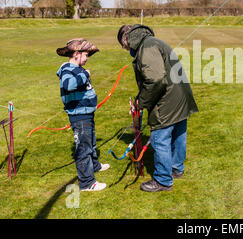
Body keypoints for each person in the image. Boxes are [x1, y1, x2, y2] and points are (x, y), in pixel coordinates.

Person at [117, 24, 199, 192]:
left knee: (159, 139)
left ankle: (163, 179)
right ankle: (176, 169)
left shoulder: (146, 47)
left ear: (127, 41)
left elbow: (155, 79)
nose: (127, 50)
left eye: (124, 47)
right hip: (180, 96)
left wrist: (141, 102)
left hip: (167, 100)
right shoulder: (152, 42)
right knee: (178, 135)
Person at [56, 39, 110, 192]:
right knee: (83, 148)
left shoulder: (77, 68)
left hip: (86, 113)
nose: (87, 58)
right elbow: (68, 85)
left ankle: (95, 166)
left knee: (90, 143)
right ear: (75, 54)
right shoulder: (67, 69)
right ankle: (87, 183)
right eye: (85, 55)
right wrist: (85, 75)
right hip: (79, 116)